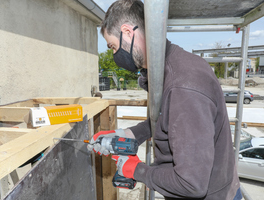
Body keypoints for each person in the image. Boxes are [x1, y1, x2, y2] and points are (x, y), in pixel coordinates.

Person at [87, 0, 242, 199]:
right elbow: (170, 122)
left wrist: (136, 170)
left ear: (127, 32)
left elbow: (192, 184)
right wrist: (126, 133)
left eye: (113, 46)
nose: (115, 54)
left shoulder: (182, 85)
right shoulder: (165, 68)